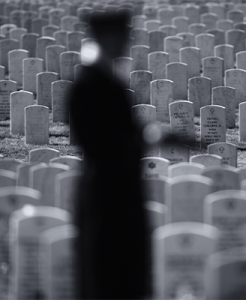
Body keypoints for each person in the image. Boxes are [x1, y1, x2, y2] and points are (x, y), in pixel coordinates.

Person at [67, 11, 149, 300]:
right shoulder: (90, 85)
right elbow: (101, 144)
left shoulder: (107, 80)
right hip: (107, 197)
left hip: (119, 194)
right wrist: (143, 141)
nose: (127, 42)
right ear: (107, 38)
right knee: (108, 277)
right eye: (123, 36)